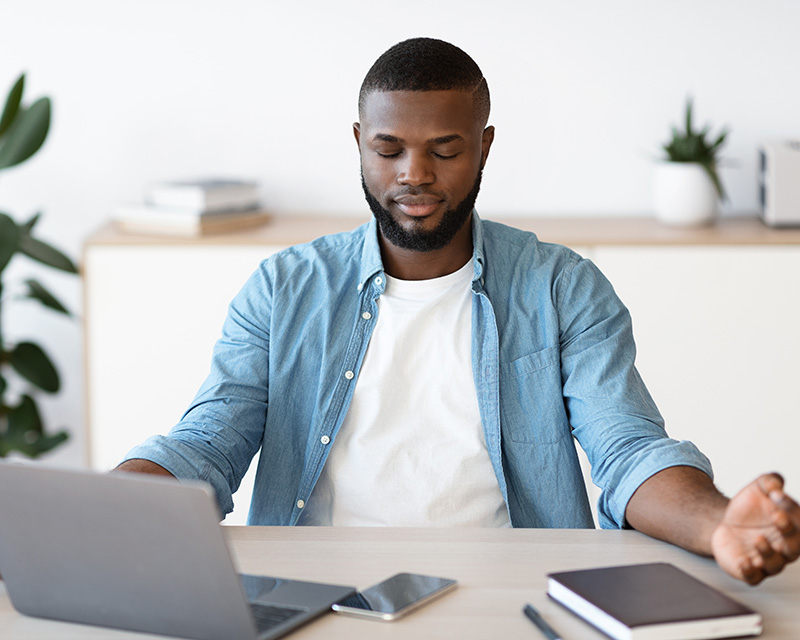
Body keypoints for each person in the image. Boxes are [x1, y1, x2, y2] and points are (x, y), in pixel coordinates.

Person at [117, 37, 800, 585]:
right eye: (388, 149)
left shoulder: (562, 286)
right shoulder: (283, 287)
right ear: (359, 140)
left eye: (444, 150)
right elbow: (209, 443)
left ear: (483, 145)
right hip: (314, 593)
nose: (414, 173)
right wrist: (114, 503)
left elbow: (628, 451)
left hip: (510, 590)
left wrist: (717, 525)